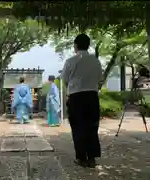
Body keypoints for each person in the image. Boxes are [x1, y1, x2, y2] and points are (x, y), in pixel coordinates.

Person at [61, 34, 102, 168]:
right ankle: (92, 158)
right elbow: (99, 78)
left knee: (78, 127)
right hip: (92, 96)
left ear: (76, 45)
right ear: (88, 45)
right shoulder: (95, 61)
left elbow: (65, 80)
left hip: (76, 97)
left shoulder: (70, 61)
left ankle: (81, 158)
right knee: (92, 126)